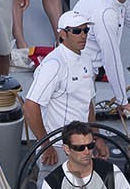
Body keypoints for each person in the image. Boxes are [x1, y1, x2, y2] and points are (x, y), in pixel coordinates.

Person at [23, 10, 96, 166]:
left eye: (86, 30)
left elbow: (88, 102)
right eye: (77, 31)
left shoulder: (86, 60)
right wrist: (46, 145)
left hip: (84, 146)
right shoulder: (53, 65)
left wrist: (96, 139)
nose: (83, 35)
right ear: (63, 34)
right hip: (59, 148)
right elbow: (30, 106)